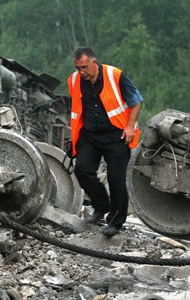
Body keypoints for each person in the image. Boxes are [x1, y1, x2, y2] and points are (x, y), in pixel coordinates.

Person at [67, 47, 143, 237]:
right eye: (78, 68)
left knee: (116, 179)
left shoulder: (115, 75)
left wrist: (130, 127)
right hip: (90, 134)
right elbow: (77, 109)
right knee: (82, 169)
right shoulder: (74, 80)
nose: (81, 72)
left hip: (116, 135)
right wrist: (74, 135)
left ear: (94, 62)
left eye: (84, 67)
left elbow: (136, 101)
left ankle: (116, 222)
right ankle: (102, 206)